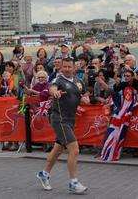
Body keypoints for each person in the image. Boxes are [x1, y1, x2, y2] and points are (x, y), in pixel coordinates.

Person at [36, 57, 90, 194]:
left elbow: (85, 95)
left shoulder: (79, 81)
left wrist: (85, 98)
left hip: (71, 120)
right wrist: (55, 92)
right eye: (64, 67)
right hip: (59, 119)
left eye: (69, 67)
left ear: (74, 68)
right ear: (61, 68)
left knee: (57, 150)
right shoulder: (58, 80)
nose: (66, 69)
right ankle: (73, 182)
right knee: (75, 149)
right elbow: (52, 89)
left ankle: (44, 174)